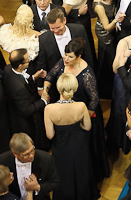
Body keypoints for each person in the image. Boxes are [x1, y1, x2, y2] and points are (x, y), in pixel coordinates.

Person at [44, 37, 109, 183]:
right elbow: (50, 75)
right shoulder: (62, 62)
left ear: (79, 57)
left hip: (83, 113)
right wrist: (45, 90)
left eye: (70, 56)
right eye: (65, 55)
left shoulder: (87, 75)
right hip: (66, 110)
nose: (66, 59)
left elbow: (94, 100)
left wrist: (82, 117)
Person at [43, 74, 98, 200]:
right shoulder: (81, 106)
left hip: (61, 146)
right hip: (79, 144)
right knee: (81, 171)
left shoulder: (49, 109)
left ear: (59, 88)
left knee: (64, 174)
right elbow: (87, 127)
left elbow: (50, 135)